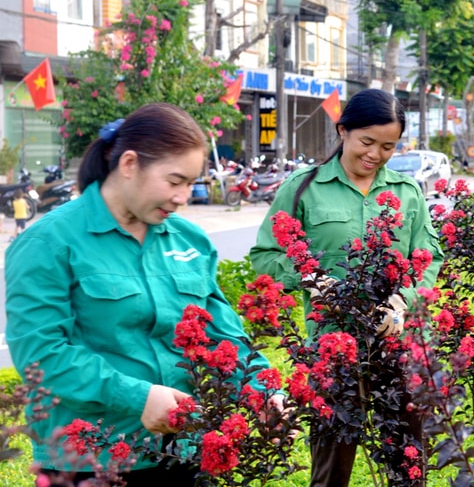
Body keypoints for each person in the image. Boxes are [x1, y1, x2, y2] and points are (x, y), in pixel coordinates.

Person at [5, 103, 274, 485]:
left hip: (184, 449)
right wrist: (138, 397)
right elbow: (41, 355)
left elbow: (222, 334)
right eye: (175, 181)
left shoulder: (190, 240)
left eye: (191, 183)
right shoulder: (49, 243)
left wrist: (262, 390)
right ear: (129, 164)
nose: (184, 196)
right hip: (88, 459)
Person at [249, 88, 444, 487]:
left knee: (406, 465)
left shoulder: (407, 193)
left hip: (395, 346)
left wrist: (402, 301)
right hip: (331, 349)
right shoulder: (305, 187)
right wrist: (310, 278)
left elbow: (429, 257)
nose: (375, 154)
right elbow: (264, 256)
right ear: (343, 131)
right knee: (330, 466)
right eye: (367, 142)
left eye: (388, 146)